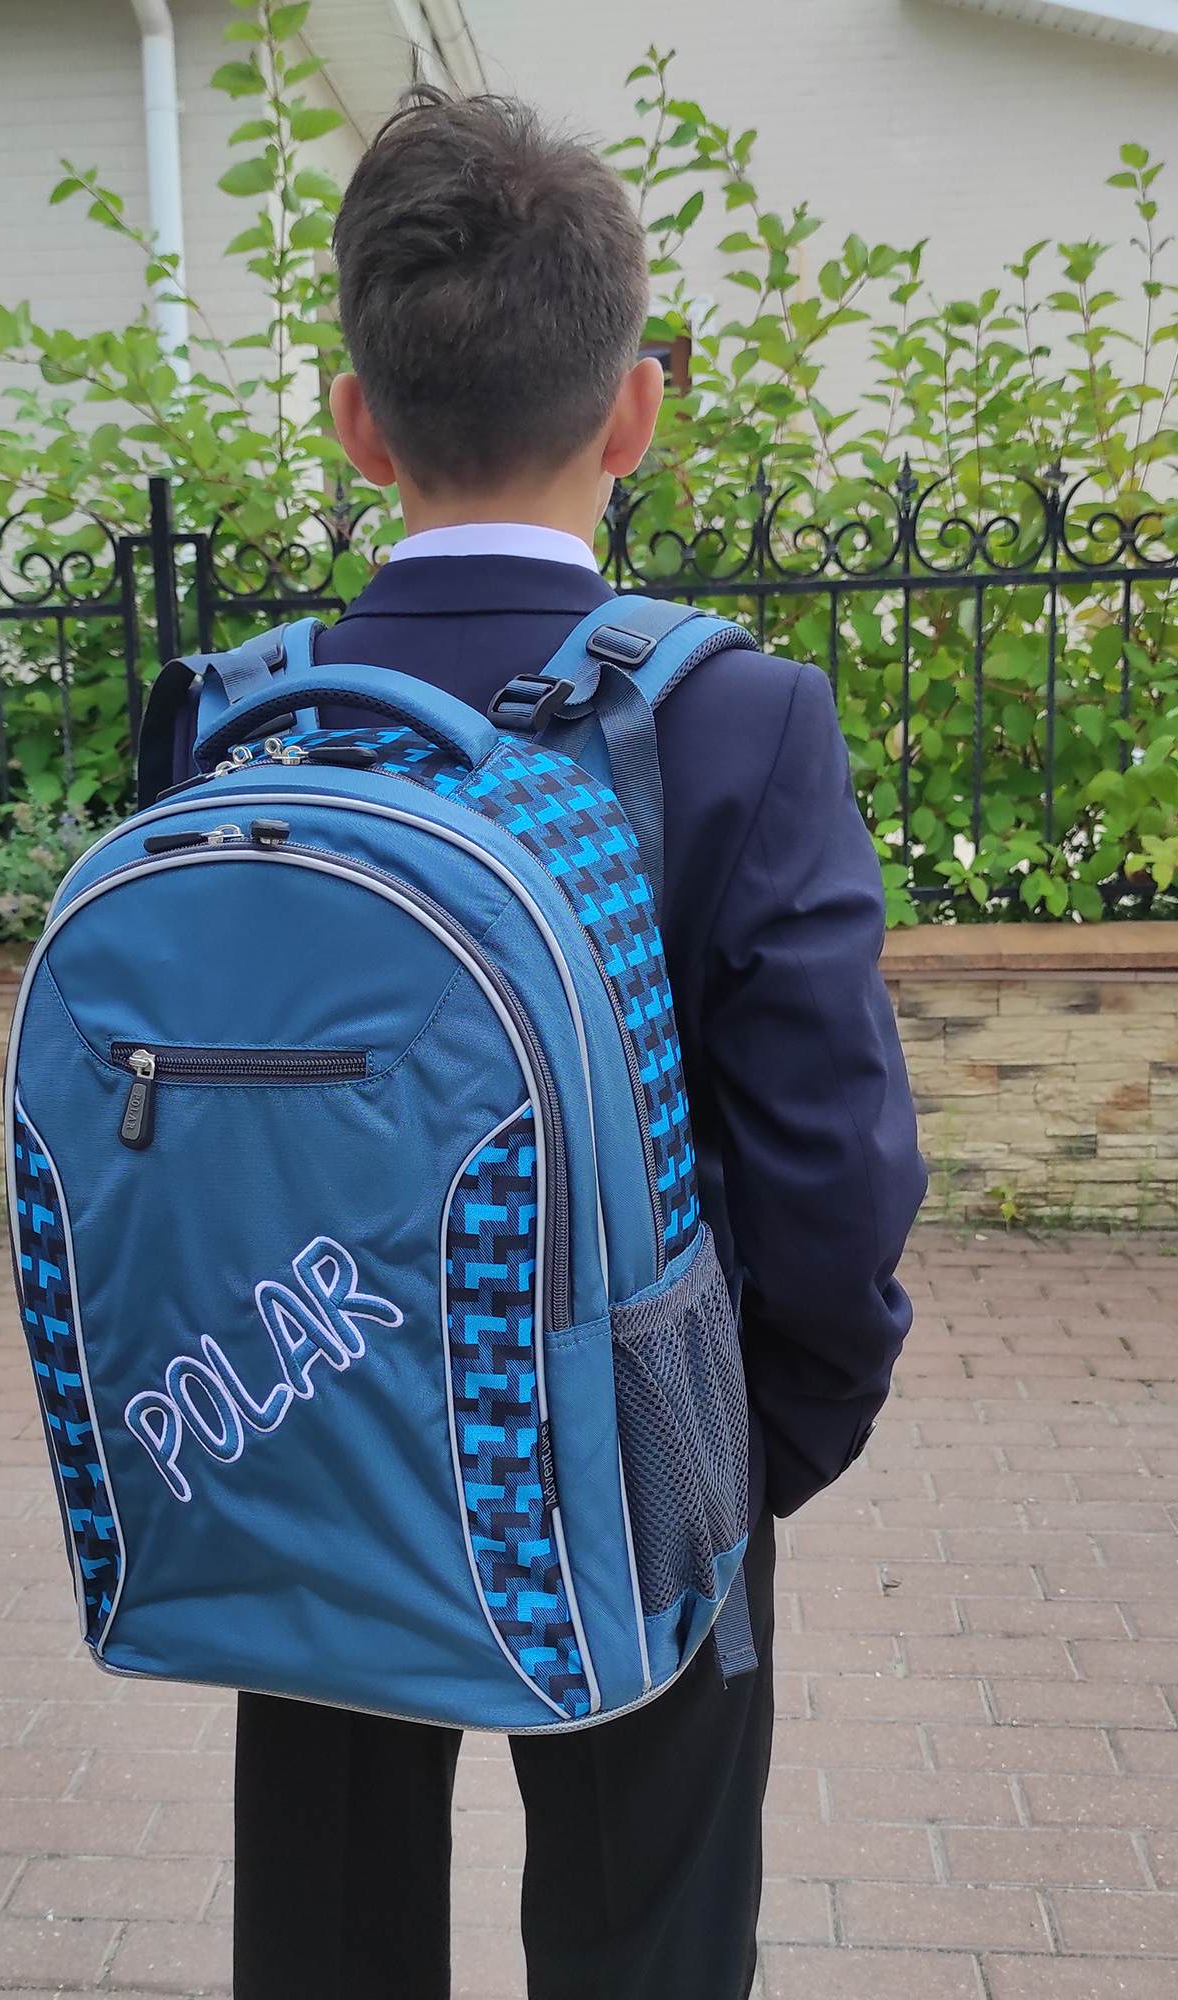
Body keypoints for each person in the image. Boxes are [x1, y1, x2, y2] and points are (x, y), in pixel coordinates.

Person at [206, 86, 927, 2000]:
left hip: (311, 1412)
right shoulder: (736, 722)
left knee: (328, 1937)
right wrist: (762, 1446)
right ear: (634, 412)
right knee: (644, 1938)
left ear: (358, 424)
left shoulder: (239, 724)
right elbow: (833, 1162)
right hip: (642, 1441)